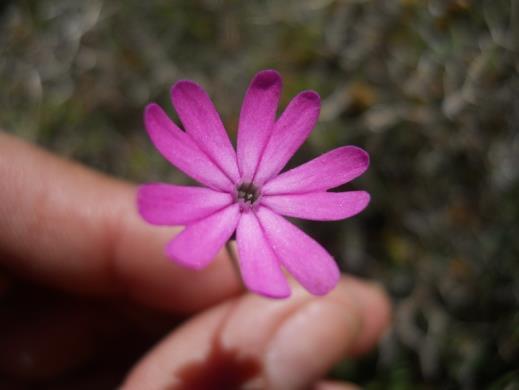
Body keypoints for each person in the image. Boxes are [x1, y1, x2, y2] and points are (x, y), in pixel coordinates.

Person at [0, 131, 391, 389]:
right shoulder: (232, 194)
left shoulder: (258, 195)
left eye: (249, 192)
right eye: (245, 192)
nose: (247, 193)